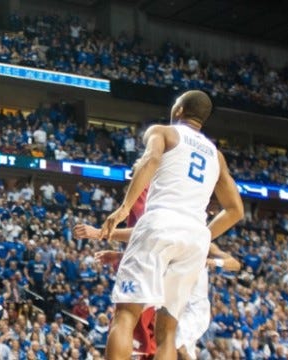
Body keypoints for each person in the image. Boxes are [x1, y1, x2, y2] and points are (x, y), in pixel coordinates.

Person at [99, 90, 244, 360]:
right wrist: (201, 235)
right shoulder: (216, 155)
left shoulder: (164, 132)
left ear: (178, 110)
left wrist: (124, 208)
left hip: (161, 221)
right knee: (168, 330)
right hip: (195, 237)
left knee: (126, 315)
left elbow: (151, 160)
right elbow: (236, 210)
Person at [75, 223, 241, 360]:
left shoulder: (204, 243)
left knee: (178, 347)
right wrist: (119, 255)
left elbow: (234, 264)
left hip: (193, 308)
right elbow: (150, 251)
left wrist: (212, 262)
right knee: (160, 345)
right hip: (168, 301)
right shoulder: (172, 236)